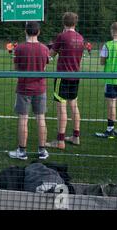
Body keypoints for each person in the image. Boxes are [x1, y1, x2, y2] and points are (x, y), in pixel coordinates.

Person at [9, 22, 50, 160]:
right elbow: (44, 67)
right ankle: (42, 150)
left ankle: (22, 150)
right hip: (40, 88)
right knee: (41, 118)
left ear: (26, 31)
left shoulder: (20, 48)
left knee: (23, 119)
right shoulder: (44, 49)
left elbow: (16, 68)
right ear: (38, 32)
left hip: (24, 87)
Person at [46, 12, 85, 150]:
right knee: (74, 106)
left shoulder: (62, 36)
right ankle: (76, 137)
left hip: (63, 76)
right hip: (75, 76)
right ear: (75, 23)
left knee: (61, 107)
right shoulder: (80, 37)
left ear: (64, 22)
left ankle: (60, 141)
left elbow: (50, 55)